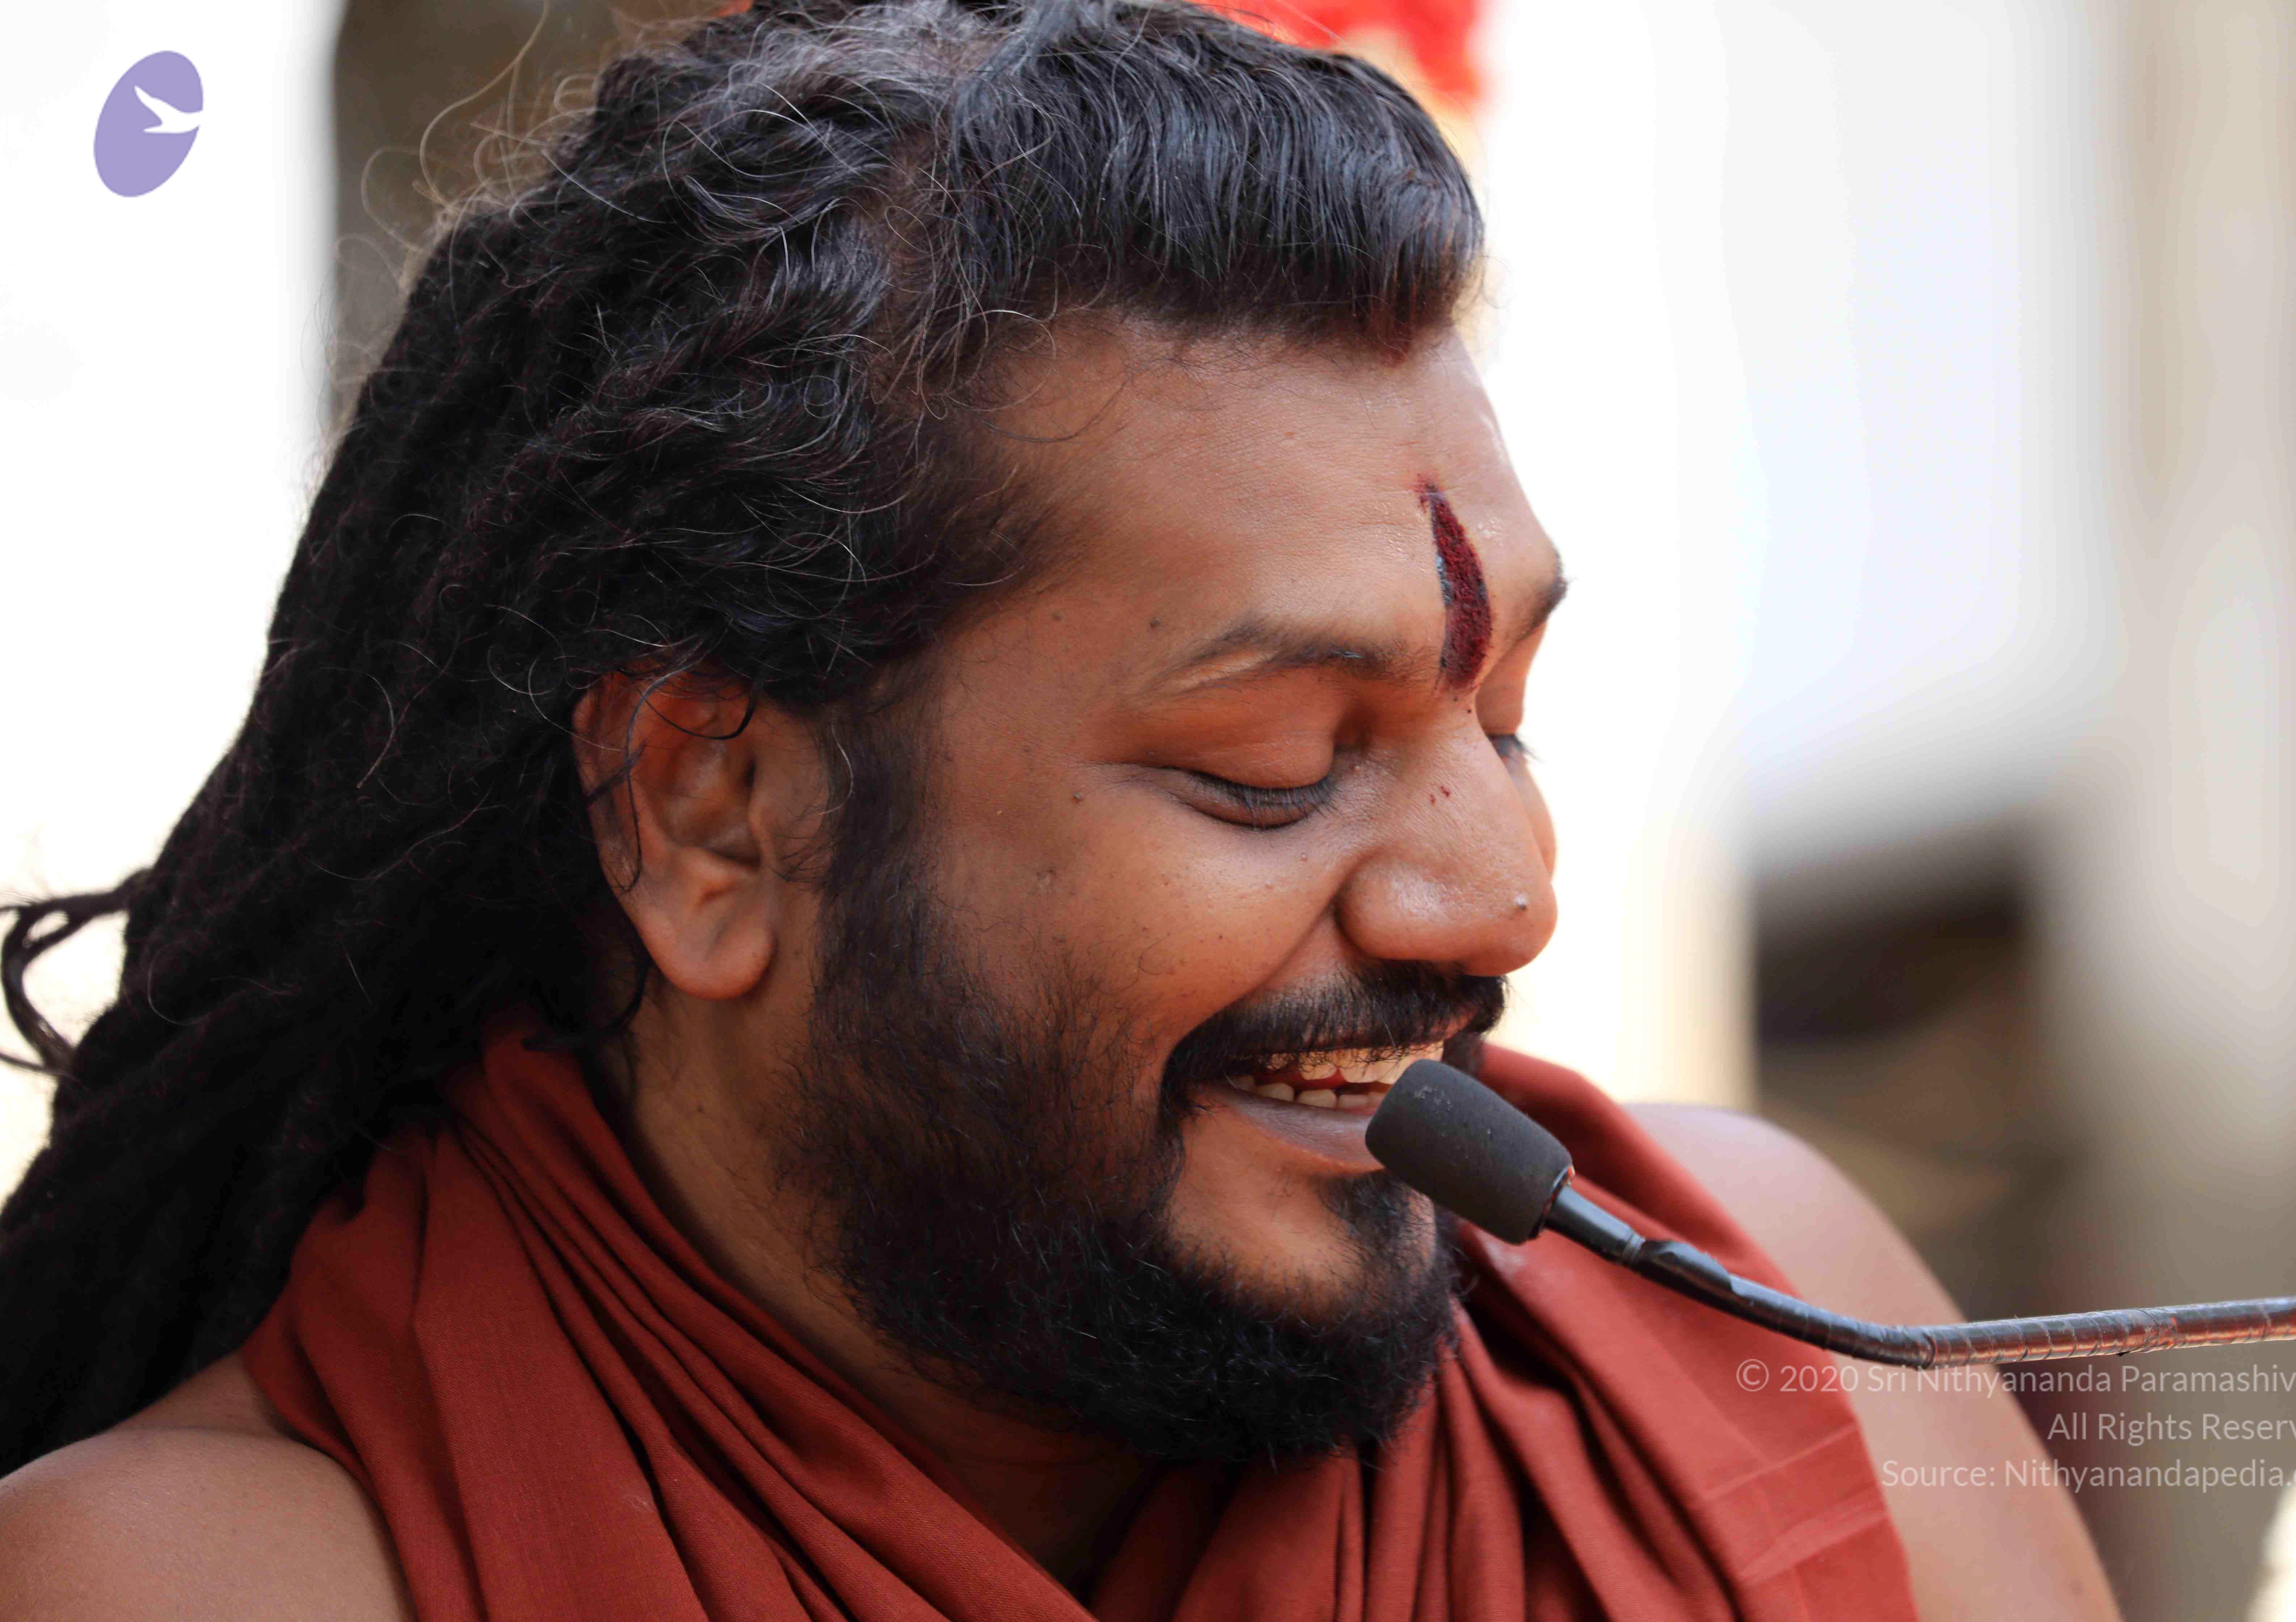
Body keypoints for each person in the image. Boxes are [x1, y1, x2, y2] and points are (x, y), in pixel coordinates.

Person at [0, 1, 2116, 1615]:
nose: (1501, 899)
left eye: (1505, 722)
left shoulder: (1776, 1344)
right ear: (713, 814)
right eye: (1271, 767)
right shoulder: (215, 1582)